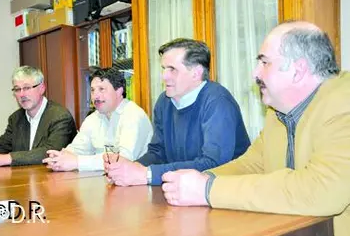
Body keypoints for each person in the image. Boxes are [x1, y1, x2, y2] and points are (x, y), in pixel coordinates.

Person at [161, 21, 350, 236]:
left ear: (298, 70)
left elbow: (320, 190)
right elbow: (253, 164)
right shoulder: (277, 112)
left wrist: (207, 189)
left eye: (265, 63)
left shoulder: (344, 104)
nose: (255, 73)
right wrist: (198, 179)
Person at [104, 38, 250, 186]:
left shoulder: (218, 101)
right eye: (163, 69)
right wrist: (129, 169)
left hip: (227, 193)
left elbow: (214, 164)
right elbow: (158, 153)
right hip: (184, 191)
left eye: (172, 69)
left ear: (196, 73)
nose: (164, 76)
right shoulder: (164, 101)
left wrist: (147, 175)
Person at [43, 67, 153, 172]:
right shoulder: (92, 119)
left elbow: (123, 159)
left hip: (135, 185)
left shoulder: (133, 115)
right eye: (92, 90)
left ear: (119, 91)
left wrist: (77, 162)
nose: (95, 96)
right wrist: (60, 157)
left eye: (101, 89)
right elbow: (78, 148)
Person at [0, 66, 77, 167]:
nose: (22, 94)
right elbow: (0, 147)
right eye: (17, 89)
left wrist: (6, 158)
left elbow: (50, 153)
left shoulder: (60, 117)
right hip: (23, 179)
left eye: (27, 88)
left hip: (54, 180)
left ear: (42, 88)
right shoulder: (15, 118)